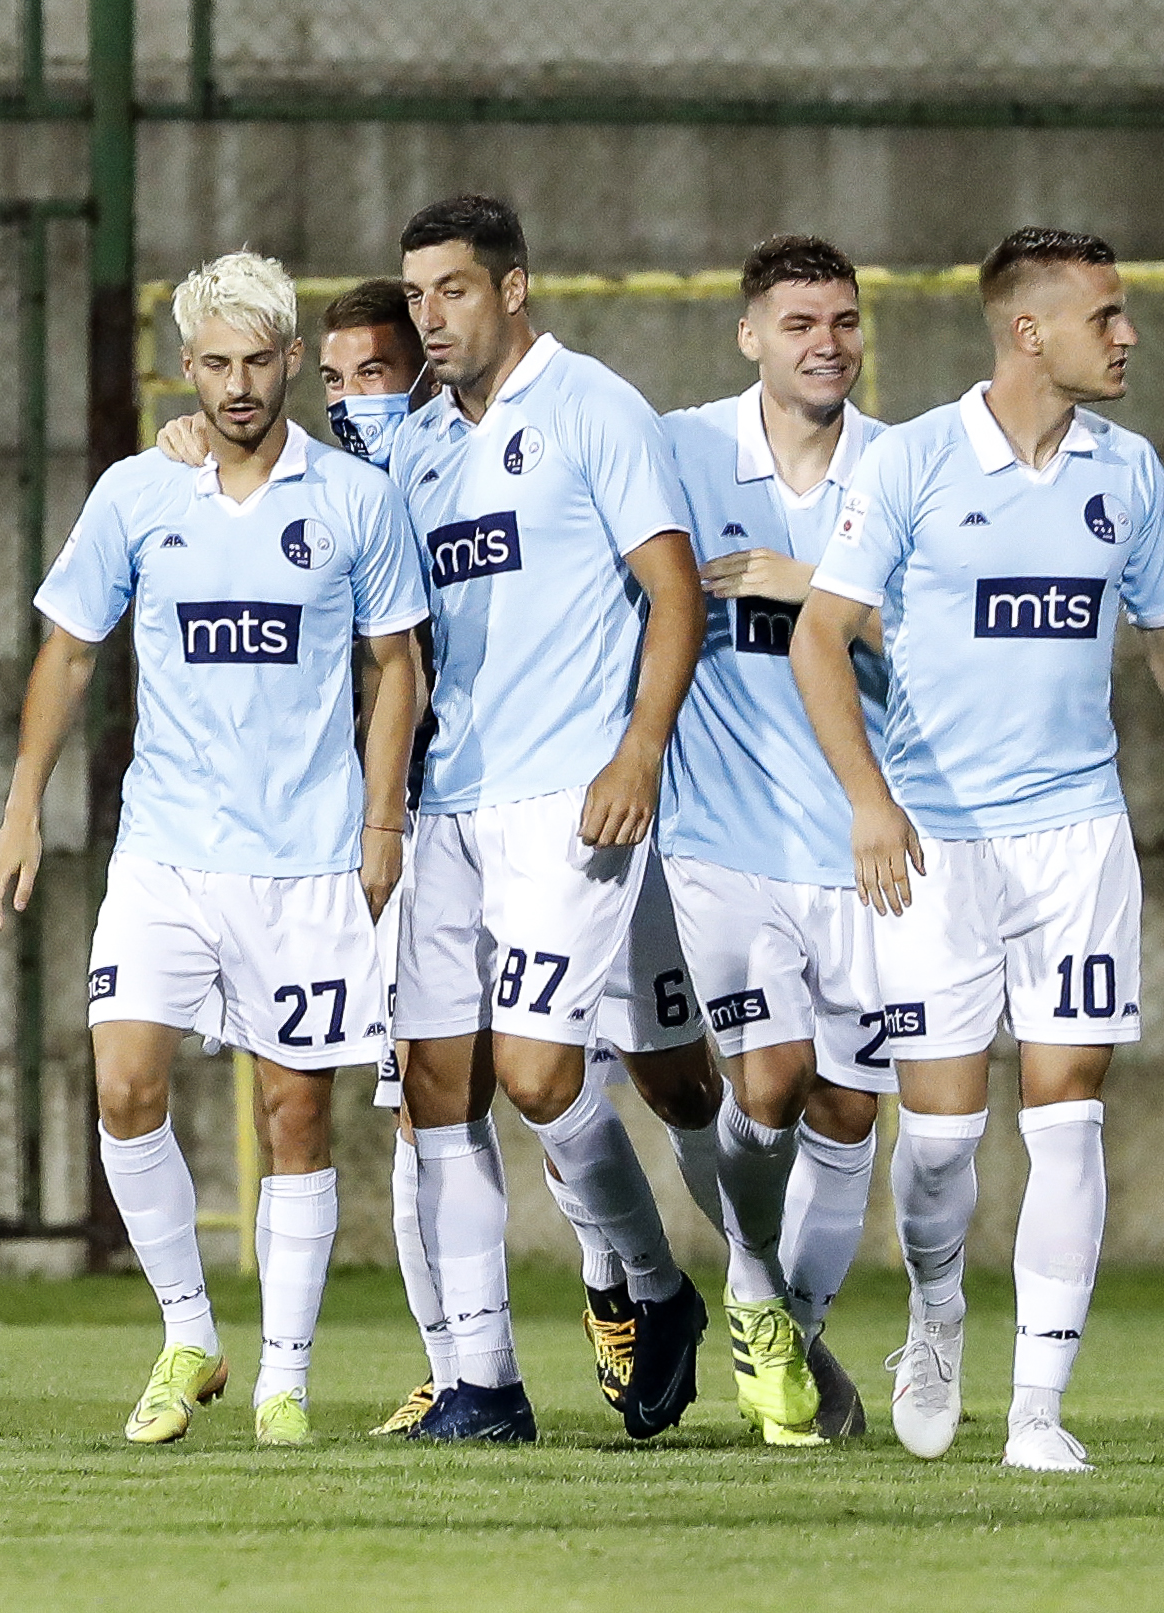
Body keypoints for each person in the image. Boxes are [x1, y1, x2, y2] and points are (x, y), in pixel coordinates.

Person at [792, 227, 1164, 1473]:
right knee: (938, 1143)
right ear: (1028, 331)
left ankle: (1035, 1409)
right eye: (1104, 315)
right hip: (934, 846)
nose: (1126, 335)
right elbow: (818, 634)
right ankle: (933, 1315)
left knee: (1066, 1112)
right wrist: (867, 800)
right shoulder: (912, 460)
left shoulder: (1126, 474)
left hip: (1074, 838)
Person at [0, 250, 427, 1448]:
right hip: (164, 851)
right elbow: (69, 649)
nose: (237, 385)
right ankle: (188, 1331)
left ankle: (284, 1376)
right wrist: (21, 806)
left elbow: (396, 665)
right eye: (215, 363)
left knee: (294, 1113)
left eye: (257, 360)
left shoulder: (353, 498)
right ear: (185, 366)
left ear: (291, 360)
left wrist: (379, 821)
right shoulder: (137, 492)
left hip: (308, 857)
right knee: (124, 1082)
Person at [384, 194, 710, 1445]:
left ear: (512, 289)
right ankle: (483, 1384)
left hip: (568, 796)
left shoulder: (592, 407)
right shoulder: (417, 446)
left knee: (535, 1071)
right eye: (416, 295)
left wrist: (638, 749)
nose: (431, 316)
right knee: (436, 1089)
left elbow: (672, 594)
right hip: (447, 802)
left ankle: (657, 1286)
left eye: (454, 290)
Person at [660, 235, 891, 1444]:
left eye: (842, 320)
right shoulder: (680, 449)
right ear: (749, 335)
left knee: (850, 1109)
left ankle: (783, 1332)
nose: (824, 343)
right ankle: (754, 1285)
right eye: (798, 323)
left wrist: (818, 589)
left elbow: (942, 637)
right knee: (771, 1076)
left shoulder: (900, 466)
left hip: (863, 845)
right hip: (719, 839)